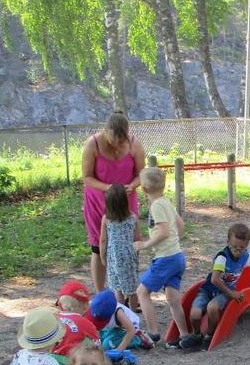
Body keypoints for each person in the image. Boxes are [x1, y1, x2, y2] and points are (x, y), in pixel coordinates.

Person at [82, 111, 146, 293]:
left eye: (121, 142)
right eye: (113, 141)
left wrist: (132, 185)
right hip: (99, 202)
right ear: (106, 131)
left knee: (131, 244)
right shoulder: (92, 144)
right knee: (98, 247)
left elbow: (141, 174)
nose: (117, 146)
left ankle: (129, 290)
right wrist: (108, 187)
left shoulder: (135, 144)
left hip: (126, 202)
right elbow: (87, 177)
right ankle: (102, 294)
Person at [186, 223, 250, 350]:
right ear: (227, 242)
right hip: (208, 290)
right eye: (234, 247)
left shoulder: (245, 256)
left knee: (212, 308)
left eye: (241, 248)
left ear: (246, 245)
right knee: (195, 314)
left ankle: (209, 335)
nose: (237, 251)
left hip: (223, 293)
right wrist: (233, 294)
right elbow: (215, 280)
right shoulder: (222, 257)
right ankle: (197, 334)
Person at [134, 167, 192, 348]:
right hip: (177, 256)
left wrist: (145, 244)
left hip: (165, 258)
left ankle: (152, 333)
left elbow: (165, 232)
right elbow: (180, 225)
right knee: (173, 299)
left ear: (143, 190)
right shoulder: (166, 202)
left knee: (141, 292)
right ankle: (185, 336)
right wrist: (176, 240)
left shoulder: (156, 206)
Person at [99, 184, 140, 313]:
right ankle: (133, 313)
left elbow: (103, 240)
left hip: (114, 256)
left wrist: (102, 257)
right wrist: (136, 255)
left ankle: (122, 314)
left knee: (117, 287)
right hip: (129, 255)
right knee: (132, 288)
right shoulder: (133, 218)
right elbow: (138, 239)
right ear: (125, 202)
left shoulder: (106, 219)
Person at [87, 290, 154, 352]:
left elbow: (131, 330)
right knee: (97, 339)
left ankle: (138, 339)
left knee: (106, 345)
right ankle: (109, 334)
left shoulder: (119, 313)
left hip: (127, 328)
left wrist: (119, 350)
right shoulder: (91, 305)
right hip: (112, 327)